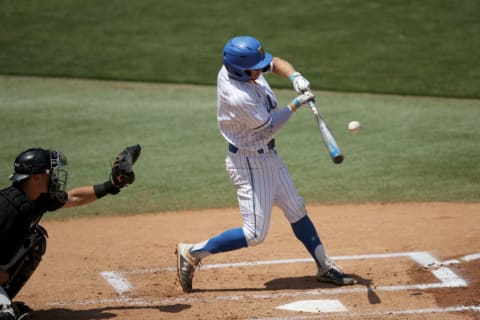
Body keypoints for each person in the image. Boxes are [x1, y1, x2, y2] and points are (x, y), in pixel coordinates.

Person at [176, 35, 354, 293]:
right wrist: (296, 104)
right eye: (257, 67)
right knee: (255, 234)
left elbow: (277, 63)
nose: (262, 69)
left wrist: (295, 77)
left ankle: (325, 266)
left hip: (267, 156)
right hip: (248, 162)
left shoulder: (243, 67)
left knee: (296, 208)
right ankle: (192, 252)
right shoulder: (238, 96)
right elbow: (268, 128)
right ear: (241, 70)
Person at [0, 145, 140, 320]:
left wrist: (112, 185)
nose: (54, 175)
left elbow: (73, 198)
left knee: (36, 240)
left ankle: (5, 300)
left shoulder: (38, 198)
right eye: (50, 171)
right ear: (36, 177)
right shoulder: (6, 210)